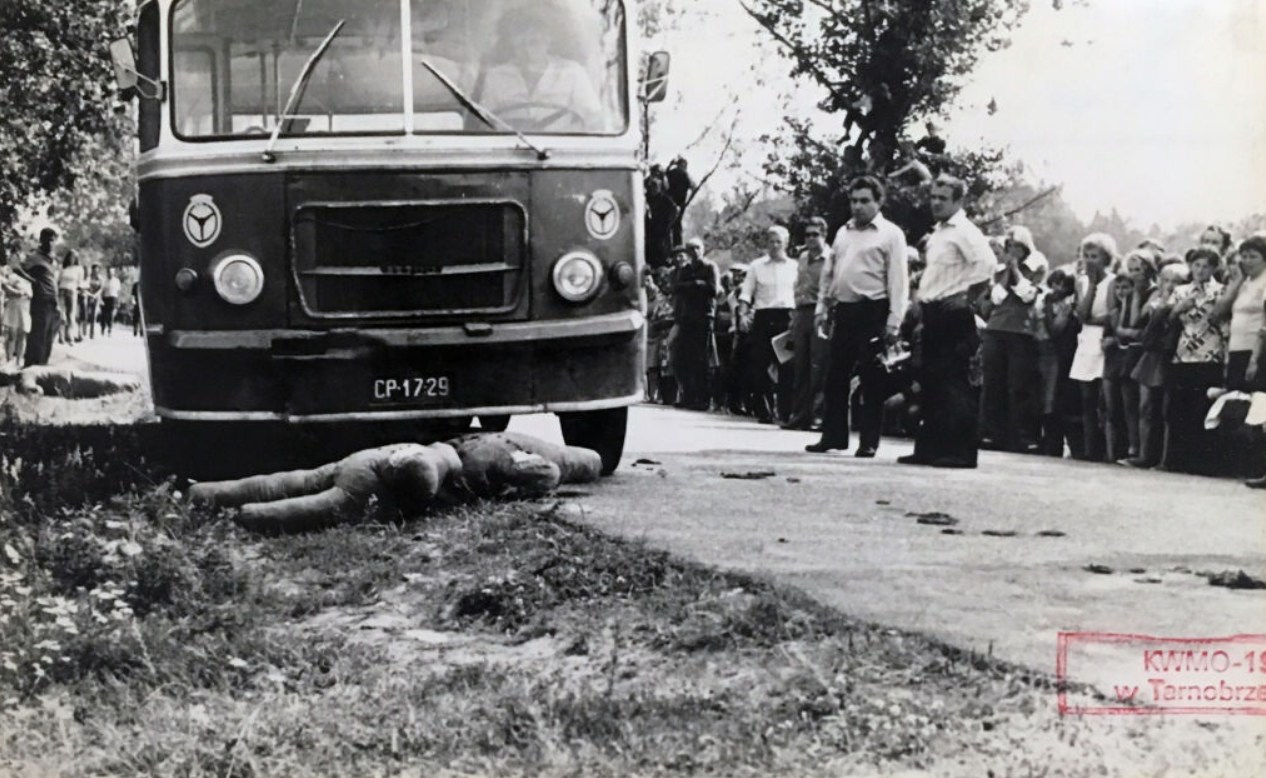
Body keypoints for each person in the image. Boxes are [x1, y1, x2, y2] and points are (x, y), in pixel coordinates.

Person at [897, 175, 995, 469]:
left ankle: (960, 452)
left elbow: (987, 263)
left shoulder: (964, 230)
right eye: (933, 196)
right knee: (932, 381)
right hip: (933, 312)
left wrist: (968, 297)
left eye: (943, 197)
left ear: (958, 201)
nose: (936, 202)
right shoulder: (939, 233)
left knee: (955, 384)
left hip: (953, 314)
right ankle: (929, 448)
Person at [806, 177, 909, 455]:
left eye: (865, 201)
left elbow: (899, 280)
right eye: (854, 201)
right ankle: (834, 436)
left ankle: (869, 441)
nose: (858, 206)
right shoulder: (843, 232)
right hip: (846, 310)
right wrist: (822, 309)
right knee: (836, 375)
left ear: (878, 202)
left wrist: (894, 320)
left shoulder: (891, 234)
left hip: (873, 309)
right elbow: (830, 274)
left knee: (871, 378)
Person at [478, 7, 604, 132]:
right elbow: (485, 121)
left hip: (558, 148)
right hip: (509, 147)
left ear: (548, 40)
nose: (527, 51)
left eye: (534, 42)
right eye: (521, 44)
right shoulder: (496, 76)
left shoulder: (573, 73)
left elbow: (594, 120)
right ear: (511, 42)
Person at [1161, 247, 1226, 474]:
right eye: (1197, 265)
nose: (1200, 270)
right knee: (1180, 406)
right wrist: (1178, 308)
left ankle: (1203, 462)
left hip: (1210, 352)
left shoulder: (1220, 291)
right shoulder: (1181, 291)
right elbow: (1168, 320)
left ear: (1214, 268)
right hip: (1183, 353)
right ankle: (1178, 460)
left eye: (1206, 265)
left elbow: (1222, 320)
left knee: (1203, 406)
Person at [978, 226, 1041, 453]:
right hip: (996, 330)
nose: (1011, 250)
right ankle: (992, 434)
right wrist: (1007, 271)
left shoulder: (1036, 269)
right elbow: (996, 298)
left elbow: (1027, 295)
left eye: (1015, 246)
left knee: (1018, 386)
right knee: (993, 384)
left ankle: (1023, 436)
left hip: (1020, 333)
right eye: (1008, 246)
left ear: (1025, 249)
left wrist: (1016, 271)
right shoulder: (998, 272)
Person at [1123, 263, 1188, 468]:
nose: (1169, 285)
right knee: (1145, 406)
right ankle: (1144, 454)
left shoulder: (1184, 302)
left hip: (1171, 356)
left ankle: (1164, 458)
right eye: (1166, 280)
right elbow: (1142, 330)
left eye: (1175, 281)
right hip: (1151, 356)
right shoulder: (1154, 303)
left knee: (1166, 409)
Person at [1213, 235, 1266, 478]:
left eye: (1253, 256)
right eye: (1243, 256)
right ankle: (1237, 465)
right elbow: (1219, 312)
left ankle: (1255, 466)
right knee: (1234, 404)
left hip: (1256, 350)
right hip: (1236, 349)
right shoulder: (1244, 282)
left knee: (1255, 407)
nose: (1246, 260)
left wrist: (1255, 359)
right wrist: (1236, 280)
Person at [738, 226, 798, 423]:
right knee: (760, 364)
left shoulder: (794, 266)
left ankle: (785, 411)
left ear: (786, 243)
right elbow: (746, 293)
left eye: (778, 241)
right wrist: (742, 314)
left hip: (787, 316)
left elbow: (800, 293)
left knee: (787, 366)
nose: (774, 246)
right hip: (763, 315)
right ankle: (764, 410)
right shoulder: (756, 266)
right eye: (771, 241)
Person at [1067, 233, 1118, 461]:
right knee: (1086, 399)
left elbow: (1111, 316)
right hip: (1086, 341)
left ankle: (1109, 450)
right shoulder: (1081, 282)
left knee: (1105, 400)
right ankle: (1089, 450)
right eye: (1086, 256)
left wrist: (1093, 320)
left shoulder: (1114, 281)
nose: (1090, 260)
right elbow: (1081, 314)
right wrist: (1092, 287)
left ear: (1106, 257)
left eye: (1094, 256)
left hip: (1104, 340)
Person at [782, 218, 831, 431]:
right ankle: (799, 414)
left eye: (815, 234)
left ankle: (817, 416)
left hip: (821, 312)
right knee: (800, 365)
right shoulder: (802, 258)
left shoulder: (831, 259)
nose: (811, 239)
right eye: (808, 235)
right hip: (801, 312)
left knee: (818, 366)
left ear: (824, 235)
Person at [670, 239, 720, 410]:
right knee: (684, 358)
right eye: (691, 249)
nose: (694, 251)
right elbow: (676, 287)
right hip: (687, 316)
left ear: (703, 249)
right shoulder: (685, 270)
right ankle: (689, 396)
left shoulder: (710, 267)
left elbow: (713, 289)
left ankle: (703, 398)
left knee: (702, 358)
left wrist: (693, 285)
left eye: (697, 248)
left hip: (704, 316)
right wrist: (696, 285)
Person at [20, 227, 62, 367]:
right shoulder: (34, 257)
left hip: (53, 300)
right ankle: (32, 366)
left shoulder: (52, 259)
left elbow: (54, 280)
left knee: (48, 338)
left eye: (53, 240)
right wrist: (33, 282)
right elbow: (16, 268)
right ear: (42, 240)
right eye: (48, 240)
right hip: (40, 300)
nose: (51, 243)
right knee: (38, 335)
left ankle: (42, 368)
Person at [1, 265, 32, 369]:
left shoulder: (29, 281)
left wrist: (22, 292)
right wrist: (18, 292)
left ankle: (19, 360)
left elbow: (30, 295)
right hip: (13, 308)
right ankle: (10, 361)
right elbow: (7, 290)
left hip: (24, 308)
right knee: (12, 335)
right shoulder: (12, 277)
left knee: (22, 335)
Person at [56, 249, 83, 344]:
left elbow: (80, 283)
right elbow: (58, 281)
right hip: (62, 291)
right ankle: (61, 336)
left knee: (71, 315)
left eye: (74, 258)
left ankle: (70, 336)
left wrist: (79, 290)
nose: (72, 259)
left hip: (72, 291)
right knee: (62, 315)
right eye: (70, 257)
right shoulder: (63, 268)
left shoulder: (79, 269)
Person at [81, 264, 103, 340]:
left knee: (94, 316)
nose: (95, 271)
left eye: (97, 270)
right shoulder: (88, 278)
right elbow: (84, 288)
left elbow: (101, 289)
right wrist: (90, 295)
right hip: (88, 296)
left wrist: (95, 295)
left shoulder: (100, 279)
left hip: (96, 298)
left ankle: (92, 333)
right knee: (86, 314)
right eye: (94, 270)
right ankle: (84, 331)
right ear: (92, 270)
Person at [100, 268, 122, 335]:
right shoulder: (104, 280)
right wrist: (101, 300)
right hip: (105, 298)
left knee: (110, 315)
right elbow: (102, 291)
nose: (110, 273)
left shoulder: (117, 281)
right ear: (107, 273)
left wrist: (118, 301)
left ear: (113, 273)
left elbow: (118, 292)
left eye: (111, 272)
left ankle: (110, 328)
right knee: (103, 315)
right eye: (109, 272)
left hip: (113, 298)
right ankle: (103, 328)